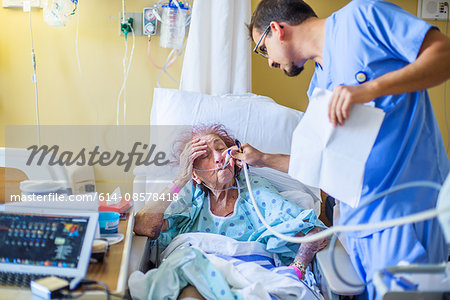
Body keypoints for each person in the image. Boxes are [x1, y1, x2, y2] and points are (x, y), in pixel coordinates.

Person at [240, 0, 450, 299]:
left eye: (263, 49)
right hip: (357, 227)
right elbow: (320, 164)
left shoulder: (364, 17)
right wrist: (261, 159)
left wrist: (370, 89)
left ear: (277, 30)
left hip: (404, 213)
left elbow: (444, 55)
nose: (270, 62)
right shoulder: (318, 87)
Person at [133, 124, 327, 299]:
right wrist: (181, 178)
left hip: (253, 281)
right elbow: (143, 224)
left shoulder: (255, 191)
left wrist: (296, 270)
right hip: (199, 279)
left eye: (220, 149)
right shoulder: (189, 200)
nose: (218, 157)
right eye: (205, 156)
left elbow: (314, 231)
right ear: (195, 175)